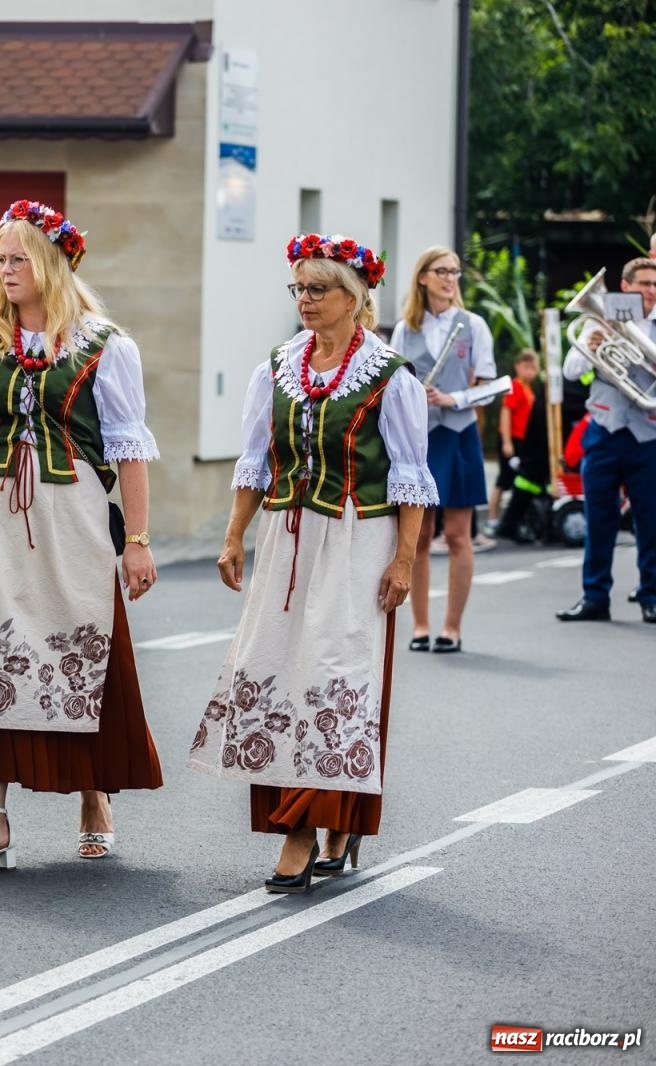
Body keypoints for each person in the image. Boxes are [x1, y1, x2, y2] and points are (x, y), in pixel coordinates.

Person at [0, 199, 162, 876]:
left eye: (19, 256)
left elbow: (130, 449)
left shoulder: (104, 345)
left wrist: (136, 539)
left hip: (68, 518)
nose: (6, 267)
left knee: (75, 649)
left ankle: (93, 798)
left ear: (52, 263)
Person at [189, 233, 433, 894]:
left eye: (318, 289)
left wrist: (405, 561)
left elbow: (412, 479)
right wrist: (234, 536)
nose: (305, 300)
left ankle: (305, 828)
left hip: (358, 541)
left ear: (353, 298)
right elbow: (254, 463)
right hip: (287, 537)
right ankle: (325, 821)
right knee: (277, 668)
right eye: (298, 288)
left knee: (333, 675)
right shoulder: (276, 366)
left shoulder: (388, 375)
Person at [390, 246, 497, 654]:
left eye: (454, 272)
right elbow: (395, 387)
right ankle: (419, 625)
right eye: (441, 271)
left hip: (459, 433)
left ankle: (451, 628)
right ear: (423, 278)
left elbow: (488, 384)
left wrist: (453, 399)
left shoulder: (474, 325)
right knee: (418, 537)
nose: (450, 278)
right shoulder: (405, 329)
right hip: (420, 439)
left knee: (457, 536)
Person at [556, 256, 656, 624]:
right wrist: (594, 345)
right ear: (625, 287)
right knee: (598, 517)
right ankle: (594, 596)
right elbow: (571, 370)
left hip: (648, 433)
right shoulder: (600, 319)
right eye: (644, 283)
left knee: (650, 519)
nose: (651, 291)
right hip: (604, 428)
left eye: (655, 285)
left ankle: (652, 595)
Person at [489, 350, 543, 542]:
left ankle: (516, 521)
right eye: (526, 367)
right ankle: (493, 519)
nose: (530, 371)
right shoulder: (515, 387)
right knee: (503, 480)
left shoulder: (530, 389)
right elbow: (506, 413)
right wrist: (507, 443)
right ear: (517, 367)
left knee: (515, 481)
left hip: (523, 441)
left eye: (533, 368)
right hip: (511, 438)